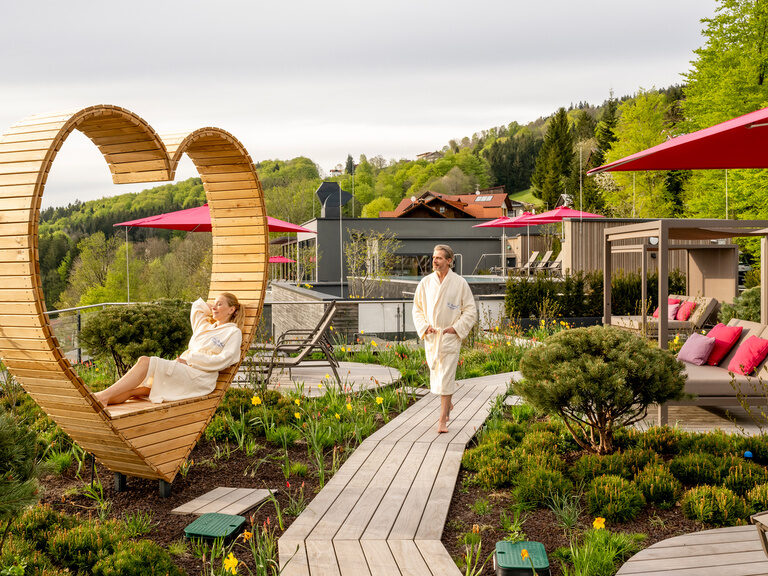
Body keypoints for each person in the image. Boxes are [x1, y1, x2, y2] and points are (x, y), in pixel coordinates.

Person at [93, 293, 245, 406]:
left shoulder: (233, 332)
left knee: (145, 362)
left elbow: (225, 359)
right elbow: (197, 307)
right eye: (214, 304)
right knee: (139, 390)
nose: (213, 307)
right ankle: (100, 400)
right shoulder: (205, 326)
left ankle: (101, 397)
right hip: (184, 369)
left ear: (232, 309)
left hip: (201, 377)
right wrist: (213, 305)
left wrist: (191, 360)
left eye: (219, 304)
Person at [412, 244, 477, 433]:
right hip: (432, 337)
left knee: (447, 377)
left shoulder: (459, 283)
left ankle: (442, 420)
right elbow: (417, 309)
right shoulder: (425, 283)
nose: (434, 261)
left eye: (439, 258)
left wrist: (456, 329)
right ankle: (448, 405)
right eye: (433, 257)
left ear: (449, 261)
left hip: (449, 336)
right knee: (438, 377)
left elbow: (470, 311)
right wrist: (424, 327)